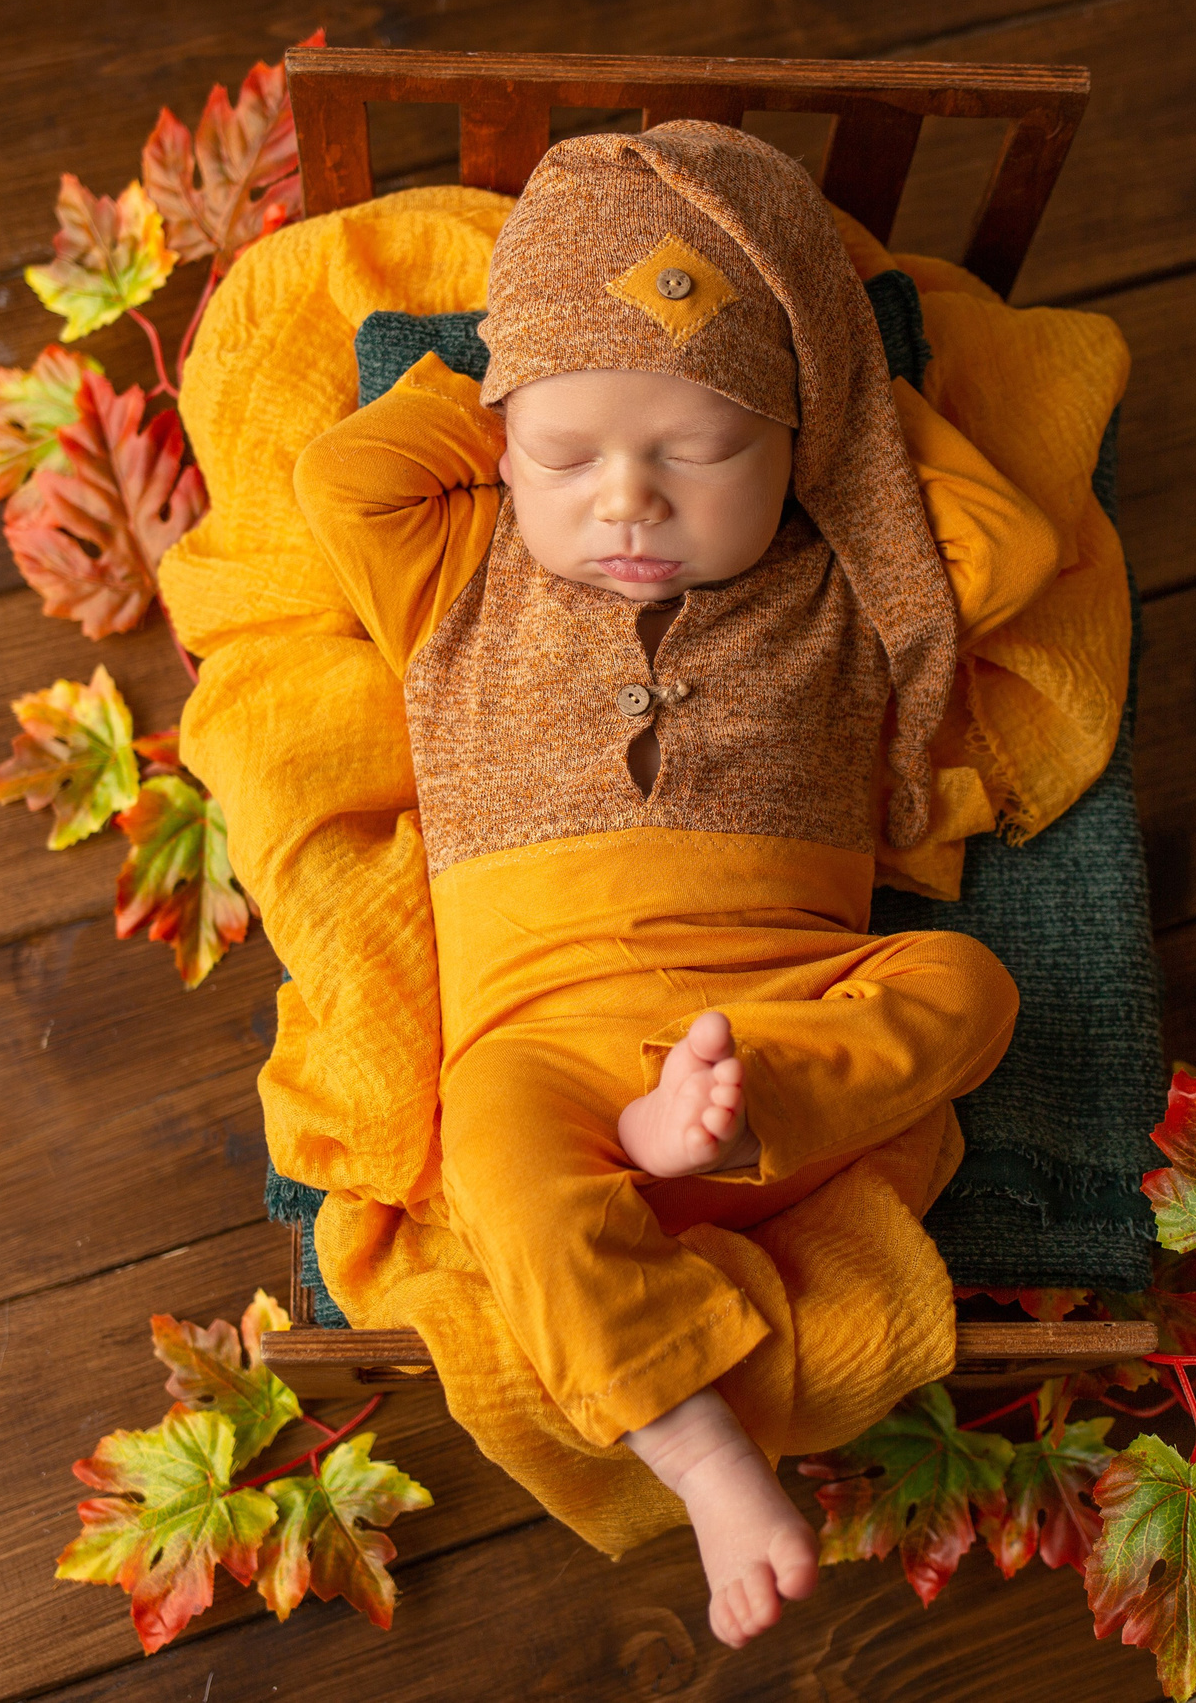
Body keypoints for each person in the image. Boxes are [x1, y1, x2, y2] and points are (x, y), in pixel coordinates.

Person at [276, 121, 1064, 1646]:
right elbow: (343, 473)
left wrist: (840, 423)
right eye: (572, 458)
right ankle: (698, 1446)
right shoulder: (462, 566)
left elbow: (1004, 542)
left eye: (696, 454)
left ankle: (752, 1109)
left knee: (967, 988)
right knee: (497, 1165)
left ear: (801, 445)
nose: (627, 500)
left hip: (787, 996)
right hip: (542, 1039)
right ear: (507, 448)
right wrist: (514, 394)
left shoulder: (844, 579)